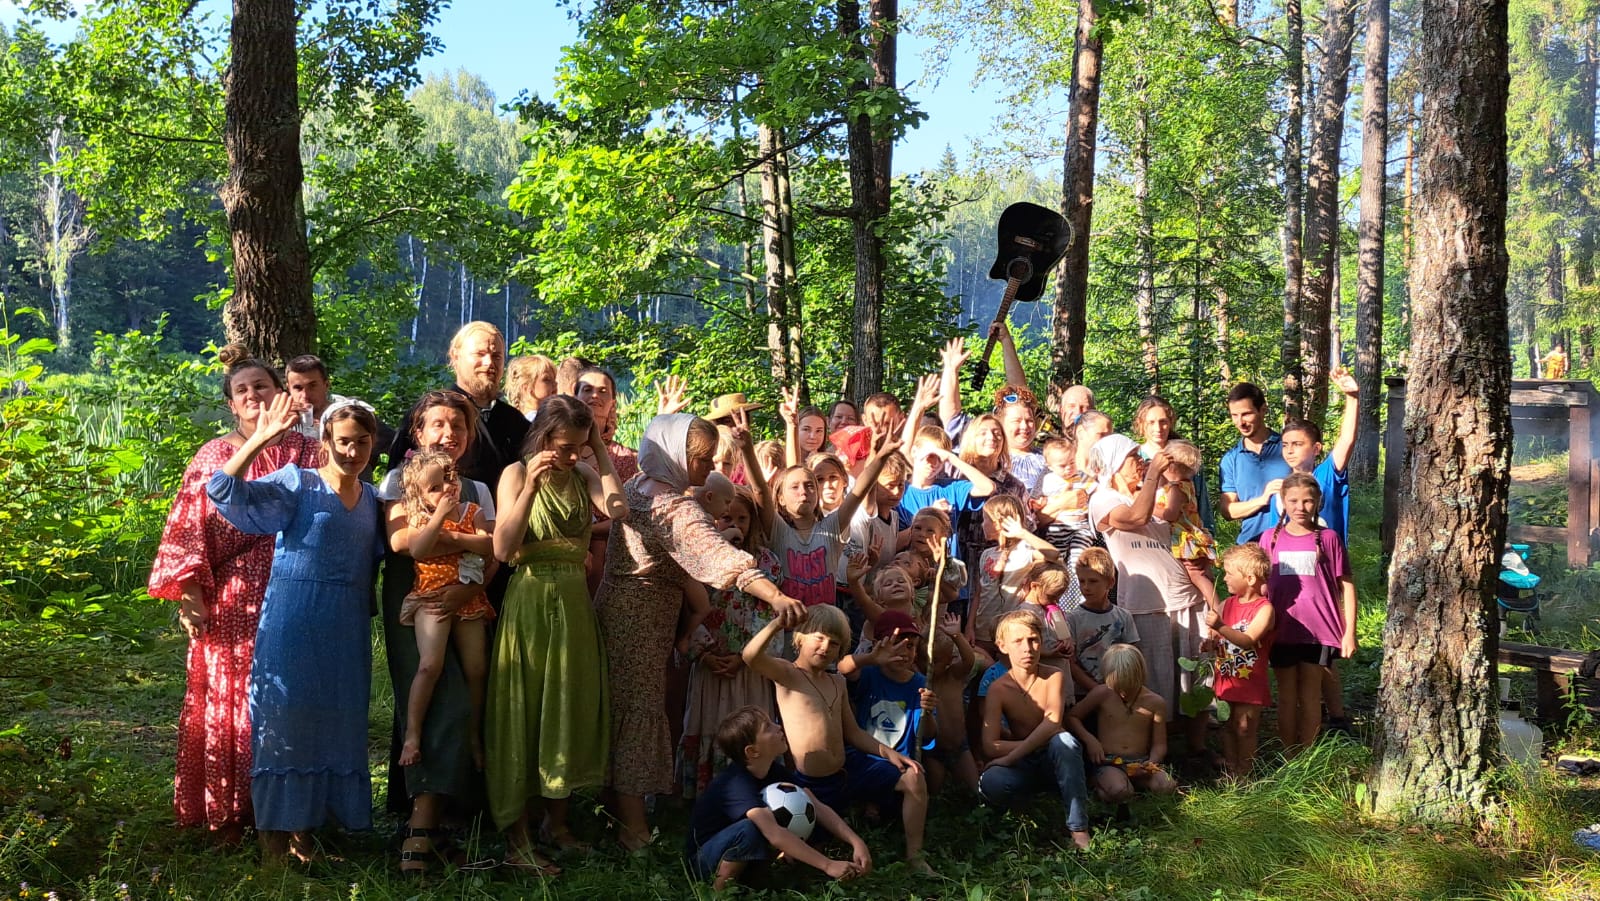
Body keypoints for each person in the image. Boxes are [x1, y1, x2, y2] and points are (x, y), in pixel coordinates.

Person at [595, 413, 805, 852]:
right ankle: (633, 830)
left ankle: (613, 809)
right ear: (675, 455)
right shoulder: (674, 508)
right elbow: (721, 558)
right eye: (702, 459)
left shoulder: (637, 486)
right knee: (638, 712)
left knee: (622, 710)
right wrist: (775, 596)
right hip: (642, 619)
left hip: (619, 608)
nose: (708, 468)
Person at [148, 345, 322, 843]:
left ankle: (291, 817)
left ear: (280, 392)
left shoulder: (307, 450)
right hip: (233, 596)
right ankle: (229, 812)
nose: (252, 395)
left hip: (294, 588)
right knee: (235, 702)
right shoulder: (214, 455)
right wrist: (190, 594)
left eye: (261, 386)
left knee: (289, 700)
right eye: (242, 390)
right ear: (230, 404)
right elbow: (186, 528)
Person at [206, 393, 385, 863]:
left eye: (362, 442)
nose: (352, 451)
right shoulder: (298, 482)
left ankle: (306, 838)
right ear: (325, 441)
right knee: (284, 723)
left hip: (346, 625)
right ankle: (272, 846)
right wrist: (261, 439)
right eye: (343, 441)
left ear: (373, 444)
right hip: (293, 618)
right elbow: (222, 489)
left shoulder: (373, 499)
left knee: (333, 723)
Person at [487, 396, 625, 873]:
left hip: (573, 602)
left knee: (566, 704)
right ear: (543, 436)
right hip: (530, 600)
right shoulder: (514, 473)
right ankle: (518, 835)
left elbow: (619, 508)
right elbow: (503, 549)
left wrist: (598, 451)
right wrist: (530, 486)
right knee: (526, 708)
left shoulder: (583, 472)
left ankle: (557, 824)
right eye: (564, 446)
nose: (571, 455)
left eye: (578, 447)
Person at [378, 390, 496, 874]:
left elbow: (492, 554)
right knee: (441, 698)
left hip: (464, 598)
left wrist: (468, 590)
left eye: (459, 426)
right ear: (418, 432)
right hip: (414, 602)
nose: (449, 434)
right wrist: (453, 536)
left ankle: (439, 819)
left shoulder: (478, 490)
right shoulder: (397, 480)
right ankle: (421, 826)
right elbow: (402, 542)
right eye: (439, 424)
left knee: (465, 695)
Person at [743, 606, 935, 875]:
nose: (825, 647)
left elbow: (853, 733)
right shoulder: (788, 674)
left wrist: (888, 753)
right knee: (800, 858)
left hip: (848, 771)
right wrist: (777, 624)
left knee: (914, 777)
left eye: (834, 643)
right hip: (811, 784)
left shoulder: (837, 682)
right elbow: (750, 656)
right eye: (819, 638)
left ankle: (915, 856)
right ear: (799, 638)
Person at [1086, 435, 1205, 724]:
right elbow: (1135, 518)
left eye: (1141, 457)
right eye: (1133, 457)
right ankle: (1159, 739)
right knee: (1155, 677)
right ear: (1115, 463)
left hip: (1184, 593)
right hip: (1145, 603)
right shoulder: (1103, 498)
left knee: (1195, 673)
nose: (1141, 462)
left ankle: (1197, 742)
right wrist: (1153, 474)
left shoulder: (1152, 490)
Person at [685, 706, 871, 890]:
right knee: (749, 829)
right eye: (768, 727)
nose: (778, 727)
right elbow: (773, 833)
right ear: (752, 751)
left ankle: (756, 880)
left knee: (803, 809)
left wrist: (856, 842)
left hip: (745, 854)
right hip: (705, 861)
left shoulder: (775, 772)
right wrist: (828, 865)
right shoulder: (736, 783)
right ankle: (718, 893)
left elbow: (817, 806)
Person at [677, 485, 784, 799]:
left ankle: (755, 790)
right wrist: (704, 654)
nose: (735, 524)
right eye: (727, 518)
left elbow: (769, 616)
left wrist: (745, 657)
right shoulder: (700, 561)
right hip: (712, 663)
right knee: (712, 719)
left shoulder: (766, 562)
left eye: (742, 518)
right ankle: (709, 794)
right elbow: (690, 609)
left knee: (750, 725)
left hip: (748, 667)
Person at [395, 450, 495, 771]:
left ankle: (475, 736)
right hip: (431, 599)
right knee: (430, 665)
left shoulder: (473, 511)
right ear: (420, 495)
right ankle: (412, 734)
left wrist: (451, 536)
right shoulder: (420, 518)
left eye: (450, 479)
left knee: (477, 669)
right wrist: (439, 518)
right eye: (434, 487)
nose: (446, 489)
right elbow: (419, 548)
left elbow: (488, 545)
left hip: (469, 599)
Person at [976, 611, 1093, 851]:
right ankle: (1023, 814)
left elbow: (1053, 722)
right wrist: (1022, 751)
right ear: (1002, 646)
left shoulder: (1053, 676)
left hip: (1052, 757)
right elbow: (990, 745)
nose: (1027, 648)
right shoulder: (998, 688)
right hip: (1023, 763)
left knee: (1065, 742)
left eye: (1033, 640)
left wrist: (1009, 756)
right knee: (992, 781)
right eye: (1018, 641)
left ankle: (1078, 828)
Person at [1260, 473, 1356, 755]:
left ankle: (1307, 757)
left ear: (1318, 502)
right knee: (1286, 697)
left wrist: (1349, 632)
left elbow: (1347, 586)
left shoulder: (1329, 538)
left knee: (1311, 696)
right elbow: (1260, 585)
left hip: (1319, 630)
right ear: (1283, 502)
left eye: (1307, 501)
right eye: (1293, 501)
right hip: (1281, 630)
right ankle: (1289, 756)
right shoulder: (1269, 538)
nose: (1300, 507)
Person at [389, 322, 528, 488]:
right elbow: (398, 482)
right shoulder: (428, 414)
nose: (489, 362)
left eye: (496, 356)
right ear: (455, 357)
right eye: (480, 354)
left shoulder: (515, 421)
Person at [1067, 644, 1179, 803]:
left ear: (1139, 676)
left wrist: (1151, 763)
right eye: (1117, 687)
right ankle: (1105, 784)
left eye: (1129, 687)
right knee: (1120, 791)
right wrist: (1090, 740)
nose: (1123, 692)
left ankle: (1123, 787)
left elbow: (1159, 745)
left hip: (1141, 763)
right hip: (1110, 762)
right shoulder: (1102, 693)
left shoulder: (1155, 702)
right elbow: (1072, 717)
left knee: (1167, 786)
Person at [1206, 544, 1275, 778]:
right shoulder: (1226, 604)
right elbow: (1219, 639)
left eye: (1229, 573)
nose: (1224, 578)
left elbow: (1247, 640)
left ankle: (1245, 774)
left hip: (1250, 682)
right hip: (1226, 678)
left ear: (1250, 578)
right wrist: (1210, 643)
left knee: (1245, 728)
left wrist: (1220, 626)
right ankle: (1231, 770)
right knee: (1227, 725)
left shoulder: (1265, 609)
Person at [837, 610, 937, 760]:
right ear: (876, 645)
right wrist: (871, 658)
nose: (903, 652)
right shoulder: (868, 673)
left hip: (901, 760)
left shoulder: (920, 684)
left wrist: (927, 712)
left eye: (910, 646)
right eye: (895, 644)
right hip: (863, 758)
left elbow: (928, 735)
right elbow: (842, 666)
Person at [971, 494, 1061, 655]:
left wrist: (1022, 533)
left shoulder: (1024, 551)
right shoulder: (986, 554)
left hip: (1012, 632)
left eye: (984, 519)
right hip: (982, 631)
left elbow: (1053, 554)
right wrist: (969, 626)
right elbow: (979, 593)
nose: (982, 524)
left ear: (998, 523)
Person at [1219, 382, 1290, 546]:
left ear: (1263, 410)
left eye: (1246, 414)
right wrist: (1262, 499)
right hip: (1251, 545)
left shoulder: (1288, 448)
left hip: (1289, 544)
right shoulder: (1230, 460)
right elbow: (1228, 510)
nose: (1240, 422)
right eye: (1234, 415)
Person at [1064, 548, 1140, 696]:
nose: (1086, 587)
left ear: (1110, 583)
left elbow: (1133, 656)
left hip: (1118, 691)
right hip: (1084, 694)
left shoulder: (1123, 616)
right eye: (1082, 581)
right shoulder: (1072, 618)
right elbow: (1070, 663)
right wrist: (1098, 690)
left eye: (1093, 581)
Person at [504, 354, 558, 420]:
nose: (555, 384)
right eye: (546, 379)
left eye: (555, 379)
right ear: (526, 387)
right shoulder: (538, 421)